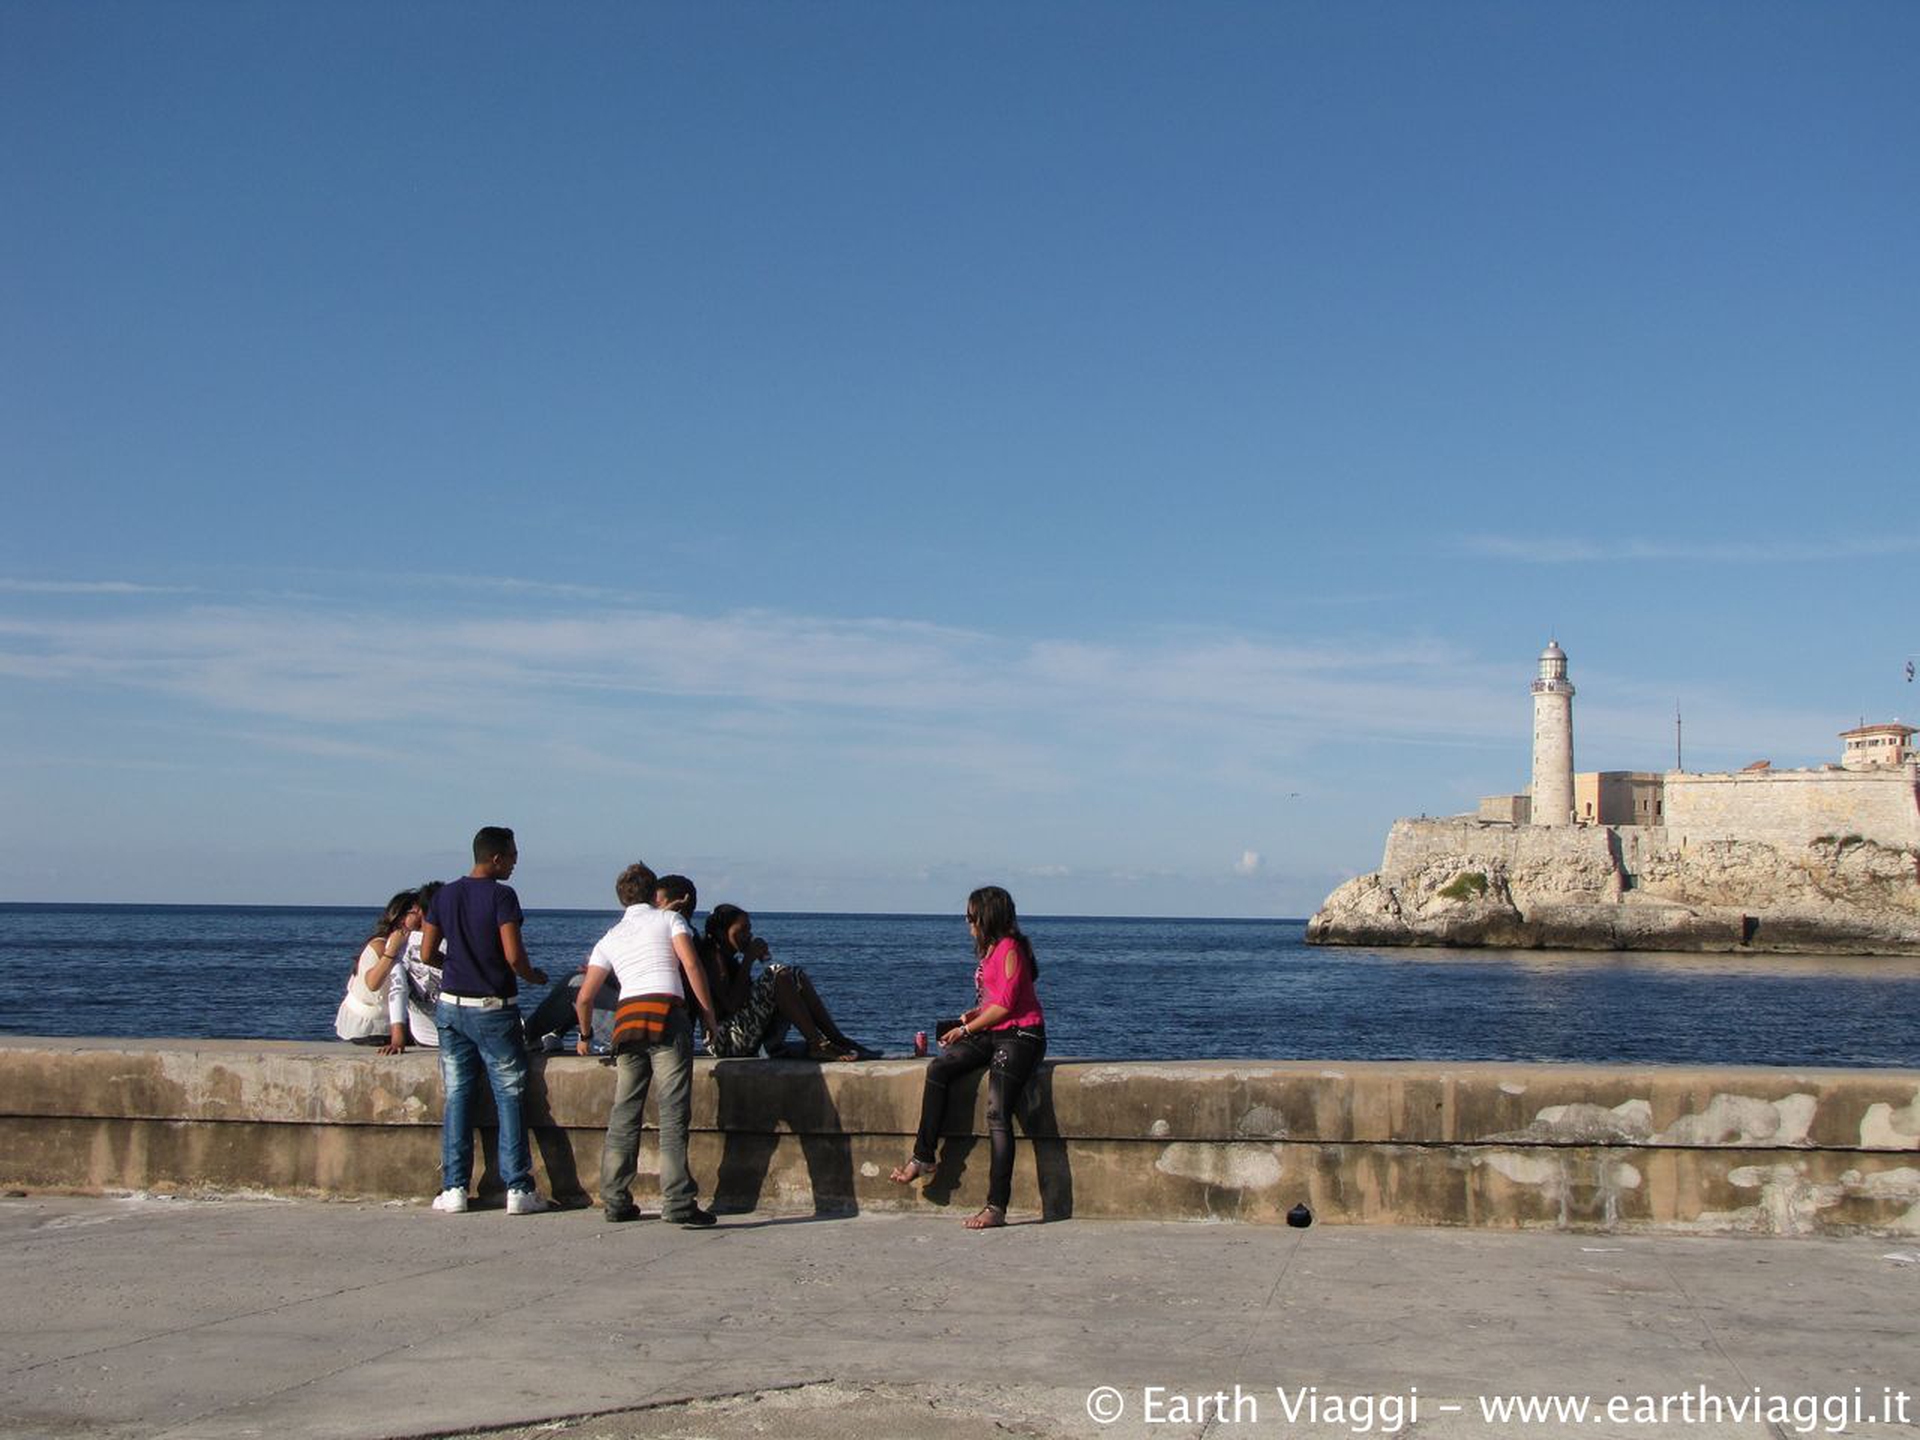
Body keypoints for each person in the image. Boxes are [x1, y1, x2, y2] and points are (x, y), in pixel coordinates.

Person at [572, 861, 722, 1227]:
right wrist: (708, 1016)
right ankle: (678, 1202)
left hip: (627, 1022)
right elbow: (691, 966)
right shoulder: (671, 921)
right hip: (666, 1015)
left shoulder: (609, 938)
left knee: (625, 1111)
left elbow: (585, 998)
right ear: (654, 892)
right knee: (672, 1112)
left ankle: (615, 1199)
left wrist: (585, 1035)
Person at [890, 885, 1046, 1230]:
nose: (967, 922)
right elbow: (995, 1000)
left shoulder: (1010, 949)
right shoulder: (990, 950)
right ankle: (924, 1156)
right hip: (992, 1030)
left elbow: (1007, 1006)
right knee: (940, 1069)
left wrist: (967, 1030)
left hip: (1021, 1035)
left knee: (997, 1112)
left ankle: (996, 1206)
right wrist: (968, 1018)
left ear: (986, 916)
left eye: (971, 916)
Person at [419, 826, 553, 1216]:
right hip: (494, 1006)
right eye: (512, 856)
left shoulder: (444, 894)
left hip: (450, 1006)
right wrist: (533, 976)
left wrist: (457, 965)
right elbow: (513, 956)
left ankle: (455, 1187)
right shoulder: (502, 896)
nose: (515, 863)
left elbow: (428, 952)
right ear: (495, 858)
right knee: (508, 1095)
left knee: (458, 1095)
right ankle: (517, 1188)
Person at [700, 904, 866, 1061]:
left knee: (794, 974)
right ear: (722, 933)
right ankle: (816, 1045)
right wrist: (749, 959)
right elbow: (732, 1005)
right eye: (743, 931)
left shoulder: (730, 959)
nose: (749, 935)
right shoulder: (712, 958)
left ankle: (836, 1039)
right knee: (776, 974)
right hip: (724, 1041)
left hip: (741, 1033)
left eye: (749, 930)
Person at [334, 889, 420, 1043]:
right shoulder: (380, 945)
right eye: (416, 912)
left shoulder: (412, 944)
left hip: (392, 1020)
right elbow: (373, 983)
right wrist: (391, 951)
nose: (422, 916)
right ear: (401, 917)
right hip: (371, 1025)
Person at [379, 880, 445, 1053]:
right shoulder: (460, 943)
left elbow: (398, 989)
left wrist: (397, 1038)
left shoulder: (401, 943)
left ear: (421, 911)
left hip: (422, 1037)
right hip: (461, 1037)